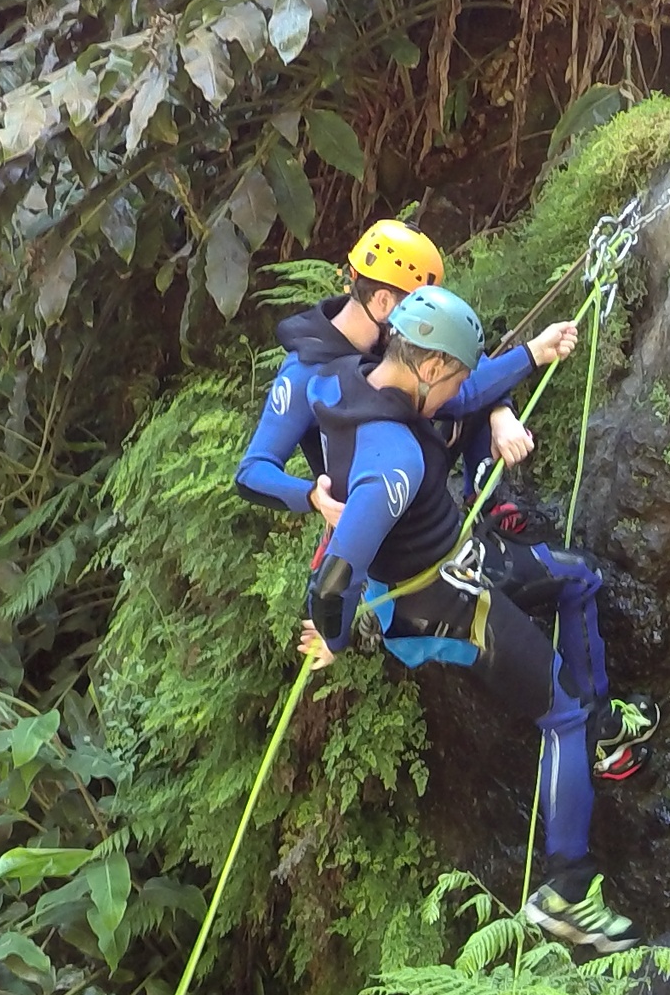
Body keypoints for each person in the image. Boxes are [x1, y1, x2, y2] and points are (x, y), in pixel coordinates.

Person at [300, 285, 648, 950]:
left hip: (461, 558)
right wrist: (338, 634)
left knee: (578, 579)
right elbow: (336, 577)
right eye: (453, 371)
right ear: (428, 365)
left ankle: (601, 734)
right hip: (440, 606)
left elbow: (459, 398)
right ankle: (568, 891)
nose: (458, 388)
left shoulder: (361, 380)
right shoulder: (394, 460)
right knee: (559, 712)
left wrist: (531, 355)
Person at [234, 216, 548, 521]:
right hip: (376, 516)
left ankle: (484, 504)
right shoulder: (305, 371)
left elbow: (465, 367)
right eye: (416, 303)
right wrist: (312, 496)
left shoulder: (390, 333)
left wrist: (500, 413)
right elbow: (253, 471)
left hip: (420, 477)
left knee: (462, 387)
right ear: (384, 301)